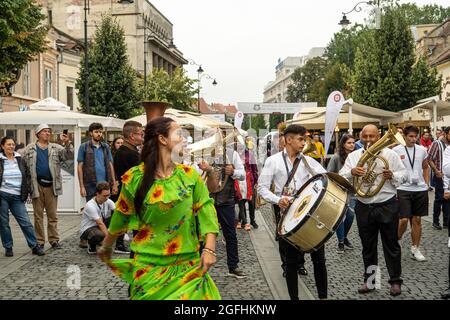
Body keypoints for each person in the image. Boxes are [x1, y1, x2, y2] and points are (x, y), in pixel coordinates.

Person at [97, 117, 221, 300]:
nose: (185, 139)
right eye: (179, 134)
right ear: (163, 139)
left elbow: (206, 209)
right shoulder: (135, 178)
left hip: (188, 269)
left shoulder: (189, 176)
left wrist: (209, 249)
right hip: (149, 271)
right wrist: (107, 246)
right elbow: (120, 216)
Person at [258, 124, 328, 300]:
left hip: (310, 217)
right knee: (290, 263)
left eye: (304, 139)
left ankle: (323, 297)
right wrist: (277, 199)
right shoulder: (272, 161)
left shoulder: (309, 162)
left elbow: (325, 181)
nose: (304, 143)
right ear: (289, 140)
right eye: (301, 139)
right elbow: (262, 188)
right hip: (288, 216)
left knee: (319, 260)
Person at [340, 124, 407, 296]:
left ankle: (395, 281)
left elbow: (404, 175)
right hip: (364, 205)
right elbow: (341, 176)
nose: (369, 140)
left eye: (372, 137)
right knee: (368, 246)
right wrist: (352, 172)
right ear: (360, 137)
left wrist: (392, 175)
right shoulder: (354, 156)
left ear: (379, 137)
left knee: (391, 245)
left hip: (387, 204)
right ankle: (370, 282)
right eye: (365, 136)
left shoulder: (390, 155)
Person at [23, 123, 73, 250]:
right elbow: (23, 165)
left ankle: (54, 240)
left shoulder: (56, 148)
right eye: (45, 131)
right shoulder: (29, 148)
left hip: (51, 185)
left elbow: (68, 157)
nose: (48, 133)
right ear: (38, 134)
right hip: (36, 185)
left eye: (49, 131)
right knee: (38, 216)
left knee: (52, 215)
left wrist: (67, 143)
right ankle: (40, 241)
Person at [208, 129, 247, 279]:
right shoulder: (204, 153)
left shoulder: (233, 154)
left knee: (230, 235)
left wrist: (233, 171)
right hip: (206, 201)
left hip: (226, 201)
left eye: (221, 136)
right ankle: (197, 267)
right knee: (200, 235)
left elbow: (242, 175)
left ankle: (233, 266)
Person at [0, 137, 45, 257]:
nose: (11, 146)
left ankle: (34, 246)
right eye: (8, 144)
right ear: (2, 146)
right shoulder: (0, 159)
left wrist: (28, 191)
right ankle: (8, 247)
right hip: (2, 194)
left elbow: (28, 176)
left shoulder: (20, 159)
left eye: (13, 144)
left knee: (25, 222)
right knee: (4, 223)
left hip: (17, 196)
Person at [393, 125, 429, 261]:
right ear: (404, 136)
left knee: (417, 219)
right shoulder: (396, 150)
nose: (414, 139)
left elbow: (425, 167)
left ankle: (415, 248)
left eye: (415, 136)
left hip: (419, 189)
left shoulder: (422, 150)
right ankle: (398, 239)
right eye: (411, 136)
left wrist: (426, 183)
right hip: (403, 188)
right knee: (402, 219)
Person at [327, 134, 356, 253]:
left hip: (352, 191)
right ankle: (341, 242)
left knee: (350, 216)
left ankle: (343, 237)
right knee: (341, 217)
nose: (352, 145)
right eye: (349, 143)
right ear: (343, 144)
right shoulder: (336, 157)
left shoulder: (356, 157)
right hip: (339, 191)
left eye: (353, 143)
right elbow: (329, 173)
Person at [77, 122, 118, 202]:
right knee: (92, 209)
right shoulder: (84, 147)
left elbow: (110, 165)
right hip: (90, 184)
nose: (99, 134)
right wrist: (81, 186)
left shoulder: (105, 147)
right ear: (91, 133)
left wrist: (114, 184)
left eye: (100, 132)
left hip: (105, 184)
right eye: (96, 132)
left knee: (105, 211)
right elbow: (79, 167)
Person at [79, 182, 115, 254]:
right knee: (98, 235)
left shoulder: (107, 200)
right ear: (97, 194)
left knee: (119, 218)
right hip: (88, 229)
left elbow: (117, 211)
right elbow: (100, 223)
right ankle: (92, 246)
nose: (107, 198)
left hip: (99, 226)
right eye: (104, 196)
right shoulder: (90, 205)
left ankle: (119, 245)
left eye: (108, 195)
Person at [428, 126, 450, 230]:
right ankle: (435, 222)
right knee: (439, 198)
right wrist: (436, 171)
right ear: (445, 134)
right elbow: (430, 158)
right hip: (440, 175)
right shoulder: (437, 143)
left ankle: (446, 221)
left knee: (448, 199)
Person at [236, 136, 259, 230]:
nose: (240, 147)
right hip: (239, 181)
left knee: (251, 202)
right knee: (241, 201)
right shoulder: (235, 155)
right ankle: (244, 222)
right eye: (238, 145)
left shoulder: (250, 154)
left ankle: (252, 221)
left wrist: (256, 181)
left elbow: (254, 168)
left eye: (241, 145)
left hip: (250, 181)